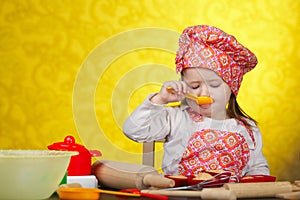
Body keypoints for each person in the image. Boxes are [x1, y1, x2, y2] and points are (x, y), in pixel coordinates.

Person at [123, 25, 269, 181]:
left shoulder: (248, 128)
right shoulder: (176, 118)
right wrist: (160, 99)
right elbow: (134, 130)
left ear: (232, 88)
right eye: (195, 86)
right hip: (181, 194)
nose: (203, 93)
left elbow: (257, 168)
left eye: (214, 85)